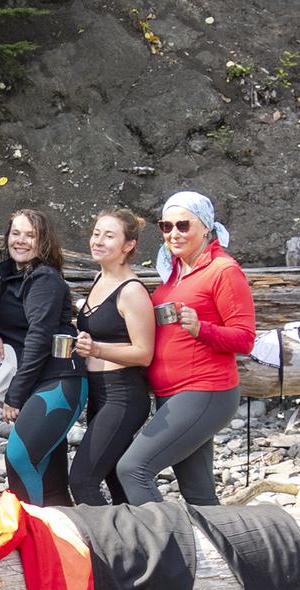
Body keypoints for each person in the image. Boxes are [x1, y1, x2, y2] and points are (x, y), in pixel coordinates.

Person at [115, 191, 256, 505]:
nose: (173, 234)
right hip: (173, 395)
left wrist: (201, 329)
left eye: (183, 225)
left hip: (205, 391)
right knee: (199, 494)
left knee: (133, 469)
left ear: (205, 227)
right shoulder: (174, 272)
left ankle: (167, 549)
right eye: (166, 226)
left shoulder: (223, 271)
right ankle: (224, 552)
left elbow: (245, 338)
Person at [0, 208, 84, 506]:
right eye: (16, 233)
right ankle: (65, 543)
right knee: (51, 477)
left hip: (59, 380)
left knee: (20, 457)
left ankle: (28, 533)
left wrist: (16, 395)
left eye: (30, 235)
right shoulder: (12, 278)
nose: (20, 241)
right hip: (40, 382)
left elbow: (38, 336)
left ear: (43, 242)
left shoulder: (44, 279)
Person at [68, 209, 155, 504]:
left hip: (124, 394)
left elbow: (144, 353)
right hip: (98, 393)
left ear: (128, 246)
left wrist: (96, 349)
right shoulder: (98, 279)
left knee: (82, 480)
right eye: (96, 234)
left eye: (109, 236)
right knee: (116, 481)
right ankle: (136, 543)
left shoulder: (132, 291)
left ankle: (106, 548)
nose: (98, 241)